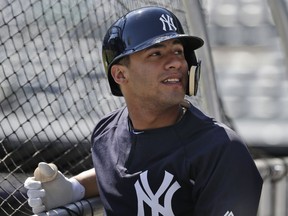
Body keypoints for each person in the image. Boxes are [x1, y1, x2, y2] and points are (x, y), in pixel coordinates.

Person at [24, 6, 263, 216]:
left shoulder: (221, 149)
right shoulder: (106, 135)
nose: (177, 63)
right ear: (120, 74)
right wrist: (76, 187)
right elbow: (133, 168)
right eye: (156, 53)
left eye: (178, 51)